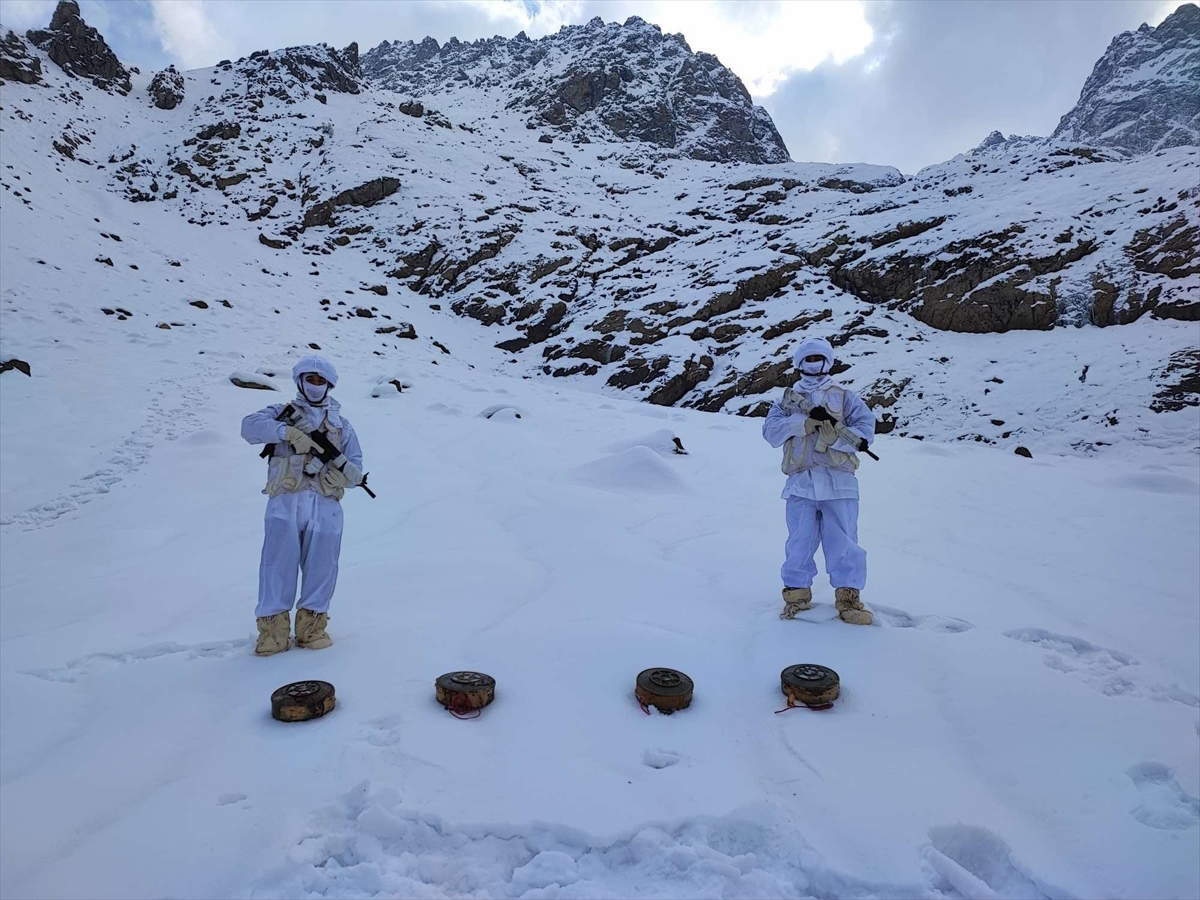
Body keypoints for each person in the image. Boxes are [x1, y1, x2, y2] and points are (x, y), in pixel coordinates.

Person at [241, 356, 364, 655]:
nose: (315, 386)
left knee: (323, 566)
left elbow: (355, 464)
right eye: (311, 379)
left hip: (325, 503)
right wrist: (287, 432)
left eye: (322, 381)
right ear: (300, 380)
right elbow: (249, 427)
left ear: (330, 385)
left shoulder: (342, 425)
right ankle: (273, 633)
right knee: (276, 566)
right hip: (286, 500)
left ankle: (312, 628)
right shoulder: (281, 413)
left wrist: (344, 478)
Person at [762, 336, 877, 625]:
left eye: (818, 358)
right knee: (799, 540)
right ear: (799, 363)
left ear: (828, 360)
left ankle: (849, 599)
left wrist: (835, 438)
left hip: (840, 481)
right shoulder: (786, 401)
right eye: (808, 358)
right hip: (801, 481)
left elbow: (865, 432)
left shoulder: (844, 397)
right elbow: (770, 432)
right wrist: (801, 424)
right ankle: (796, 597)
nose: (813, 364)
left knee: (845, 542)